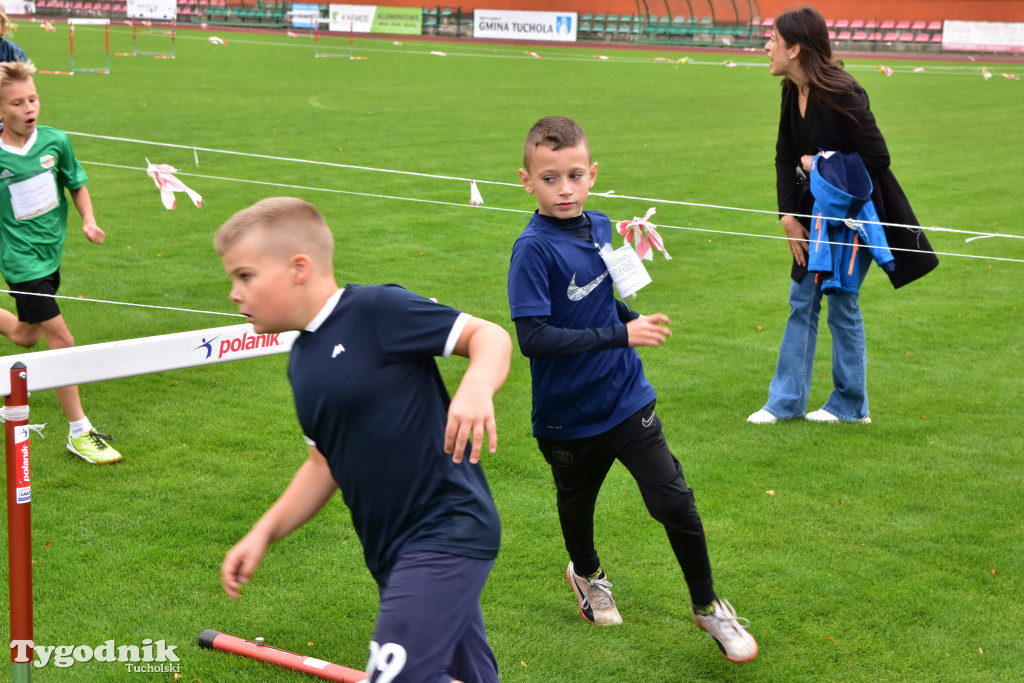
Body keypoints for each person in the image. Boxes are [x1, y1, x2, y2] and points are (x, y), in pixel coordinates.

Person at [215, 197, 511, 683]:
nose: (234, 292)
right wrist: (264, 532)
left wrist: (477, 387)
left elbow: (489, 336)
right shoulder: (302, 360)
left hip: (446, 529)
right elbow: (321, 465)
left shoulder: (376, 310)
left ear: (298, 268)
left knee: (391, 678)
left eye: (245, 276)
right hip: (390, 554)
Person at [507, 116, 758, 664]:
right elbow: (533, 338)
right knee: (577, 510)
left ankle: (708, 607)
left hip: (626, 398)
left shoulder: (599, 226)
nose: (565, 188)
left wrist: (630, 317)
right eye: (550, 178)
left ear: (592, 173)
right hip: (566, 416)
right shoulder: (532, 251)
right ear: (527, 180)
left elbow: (599, 302)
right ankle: (588, 575)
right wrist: (620, 332)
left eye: (575, 175)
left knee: (676, 502)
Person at [748, 5, 938, 425]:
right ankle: (785, 403)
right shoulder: (789, 91)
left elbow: (877, 157)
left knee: (842, 304)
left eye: (773, 41)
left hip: (854, 214)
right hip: (810, 216)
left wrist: (820, 164)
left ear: (795, 48)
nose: (767, 47)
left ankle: (851, 406)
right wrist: (787, 217)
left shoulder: (843, 91)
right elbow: (783, 157)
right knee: (803, 300)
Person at [0, 60, 122, 464]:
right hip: (19, 263)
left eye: (32, 99)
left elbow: (76, 183)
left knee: (25, 335)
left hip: (50, 257)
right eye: (17, 103)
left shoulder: (56, 142)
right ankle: (79, 432)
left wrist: (89, 219)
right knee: (61, 340)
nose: (29, 108)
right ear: (1, 111)